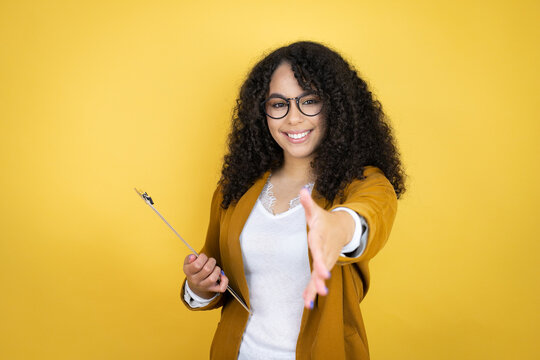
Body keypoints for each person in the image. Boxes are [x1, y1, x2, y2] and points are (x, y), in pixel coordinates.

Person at [181, 41, 406, 359]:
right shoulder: (235, 188)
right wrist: (199, 286)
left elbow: (365, 219)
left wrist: (337, 228)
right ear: (263, 112)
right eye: (278, 104)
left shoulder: (364, 183)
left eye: (309, 101)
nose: (293, 118)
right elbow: (214, 277)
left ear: (335, 107)